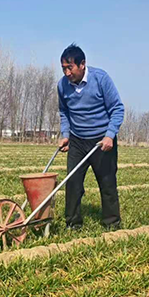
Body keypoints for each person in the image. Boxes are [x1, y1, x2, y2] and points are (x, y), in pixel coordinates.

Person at [57, 44, 124, 230]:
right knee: (73, 181)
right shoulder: (62, 85)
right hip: (77, 140)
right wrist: (65, 135)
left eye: (70, 67)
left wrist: (110, 135)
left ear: (82, 64)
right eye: (63, 68)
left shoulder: (100, 78)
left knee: (107, 181)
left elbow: (117, 109)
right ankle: (73, 223)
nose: (67, 73)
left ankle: (112, 224)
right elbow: (64, 112)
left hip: (102, 140)